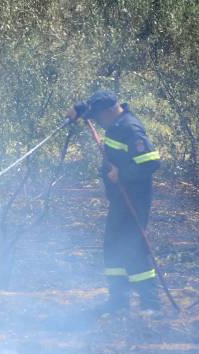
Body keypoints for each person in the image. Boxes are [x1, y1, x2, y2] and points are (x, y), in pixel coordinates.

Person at [67, 90, 162, 313]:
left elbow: (151, 162)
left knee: (133, 248)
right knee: (113, 246)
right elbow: (90, 109)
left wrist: (122, 174)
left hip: (134, 199)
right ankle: (118, 301)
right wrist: (78, 110)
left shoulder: (130, 129)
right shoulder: (114, 123)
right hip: (120, 199)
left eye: (99, 117)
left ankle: (151, 303)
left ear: (110, 111)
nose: (98, 122)